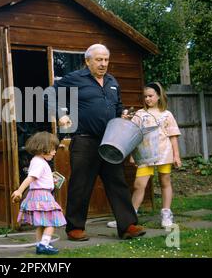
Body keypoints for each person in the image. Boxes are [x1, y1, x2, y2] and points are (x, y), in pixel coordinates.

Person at [46, 43, 146, 241]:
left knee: (117, 182)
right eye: (99, 60)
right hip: (85, 141)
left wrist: (123, 114)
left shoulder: (112, 81)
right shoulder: (76, 78)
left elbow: (118, 106)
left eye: (106, 60)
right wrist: (59, 115)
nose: (103, 64)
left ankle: (127, 226)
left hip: (111, 141)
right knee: (81, 184)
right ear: (88, 61)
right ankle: (75, 228)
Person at [107, 82, 182, 228]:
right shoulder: (140, 114)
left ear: (159, 96)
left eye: (151, 96)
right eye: (145, 96)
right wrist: (132, 155)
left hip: (164, 153)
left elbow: (173, 136)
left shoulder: (167, 114)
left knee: (165, 182)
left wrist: (176, 156)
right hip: (145, 156)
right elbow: (133, 134)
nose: (147, 99)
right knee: (139, 184)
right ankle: (128, 218)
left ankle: (166, 215)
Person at [11, 131, 66, 255]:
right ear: (43, 148)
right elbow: (30, 178)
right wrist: (19, 190)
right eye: (52, 149)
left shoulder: (38, 161)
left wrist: (51, 179)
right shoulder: (39, 163)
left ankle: (40, 244)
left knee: (42, 223)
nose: (54, 152)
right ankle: (44, 244)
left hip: (38, 195)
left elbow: (37, 177)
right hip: (43, 196)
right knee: (51, 221)